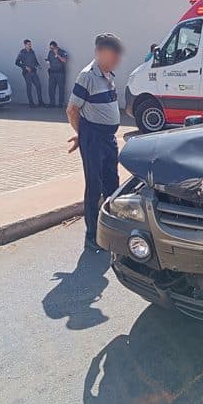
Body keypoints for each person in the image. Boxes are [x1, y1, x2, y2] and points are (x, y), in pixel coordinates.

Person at [66, 33, 123, 252]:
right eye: (112, 55)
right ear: (99, 53)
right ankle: (92, 235)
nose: (116, 59)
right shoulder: (87, 76)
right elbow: (72, 109)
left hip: (107, 138)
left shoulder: (108, 74)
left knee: (112, 183)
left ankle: (111, 227)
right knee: (95, 186)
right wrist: (83, 135)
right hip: (94, 137)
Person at [15, 39, 44, 107]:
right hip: (27, 73)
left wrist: (38, 65)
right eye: (28, 44)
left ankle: (41, 102)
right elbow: (16, 63)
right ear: (25, 45)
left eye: (30, 44)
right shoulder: (22, 52)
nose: (30, 45)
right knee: (29, 87)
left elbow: (35, 60)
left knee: (38, 86)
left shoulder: (32, 52)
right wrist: (25, 67)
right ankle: (31, 103)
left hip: (34, 72)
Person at [46, 41, 68, 108]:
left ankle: (60, 104)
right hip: (52, 73)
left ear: (56, 47)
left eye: (52, 48)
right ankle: (52, 103)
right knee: (51, 89)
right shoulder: (50, 52)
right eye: (50, 48)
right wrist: (47, 61)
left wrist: (57, 55)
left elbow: (65, 60)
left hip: (60, 73)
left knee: (61, 89)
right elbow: (49, 59)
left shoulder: (62, 52)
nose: (51, 49)